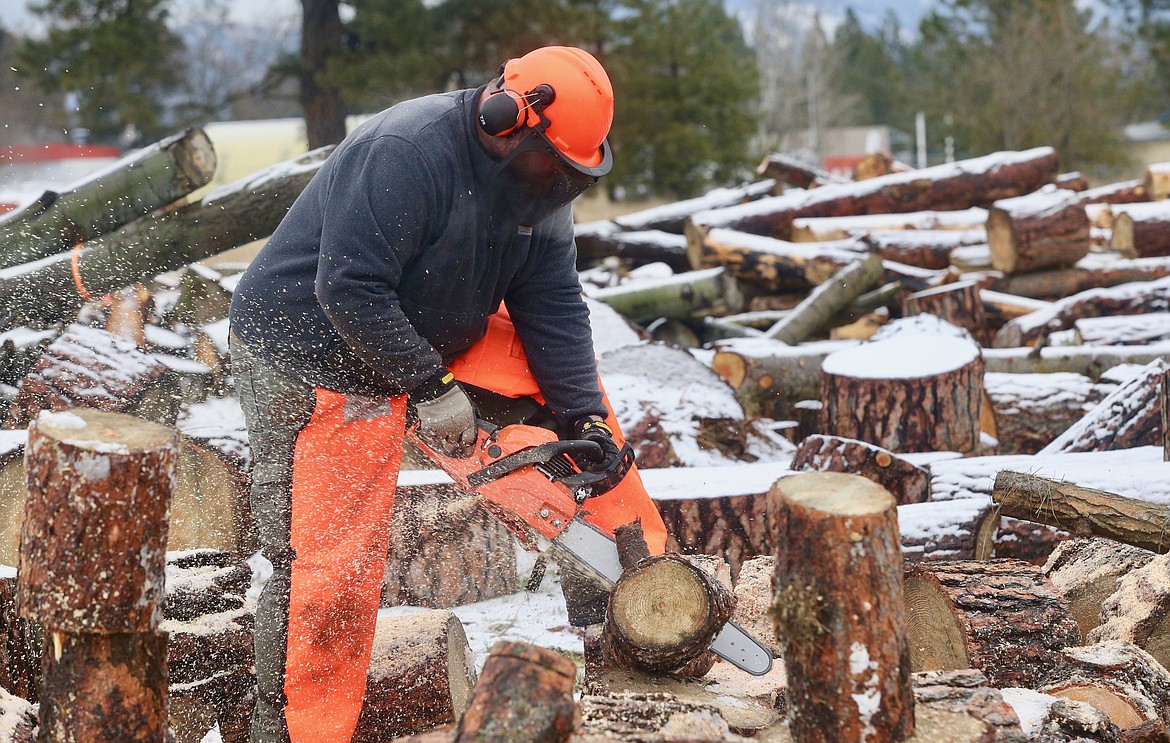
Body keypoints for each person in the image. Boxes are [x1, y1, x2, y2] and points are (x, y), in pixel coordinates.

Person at [228, 45, 669, 743]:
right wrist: (427, 386)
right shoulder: (410, 151)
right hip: (317, 351)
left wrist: (581, 412)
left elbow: (552, 302)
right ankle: (294, 732)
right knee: (331, 567)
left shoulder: (537, 190)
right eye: (553, 166)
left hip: (429, 332)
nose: (559, 186)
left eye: (572, 175)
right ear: (506, 123)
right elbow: (349, 286)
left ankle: (642, 606)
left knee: (583, 429)